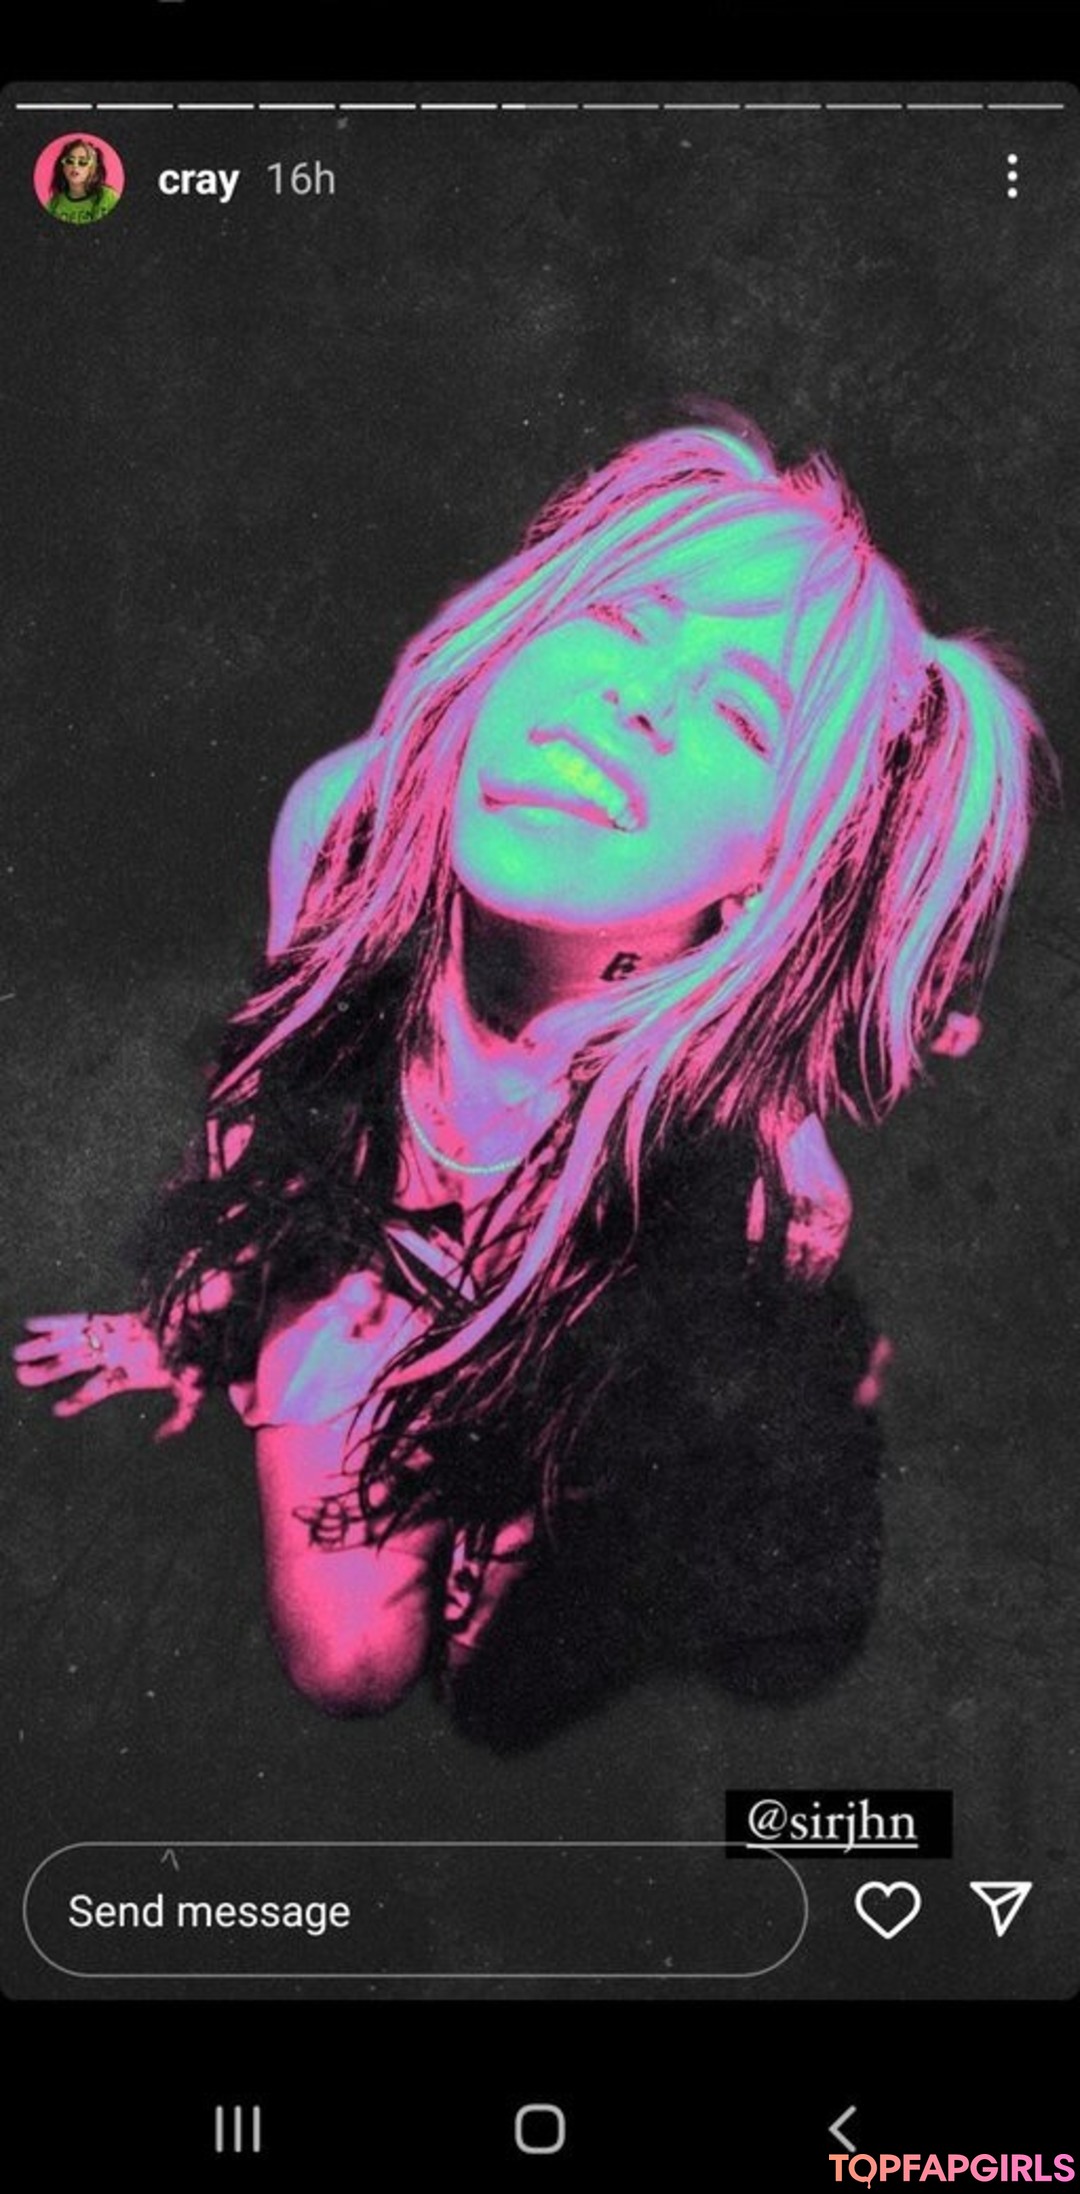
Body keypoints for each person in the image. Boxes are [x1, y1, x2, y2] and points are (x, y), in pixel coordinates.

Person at [13, 415, 1054, 1727]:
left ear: (773, 871)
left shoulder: (743, 1164)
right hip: (367, 1234)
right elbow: (268, 1087)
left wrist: (536, 1476)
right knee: (349, 1662)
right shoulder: (343, 829)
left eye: (742, 712)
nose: (638, 695)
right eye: (619, 619)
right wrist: (198, 1316)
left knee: (503, 1645)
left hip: (568, 1322)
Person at [45, 140, 120, 225]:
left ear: (93, 168)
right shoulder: (54, 205)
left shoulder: (108, 198)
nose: (75, 166)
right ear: (63, 167)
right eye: (69, 161)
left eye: (82, 162)